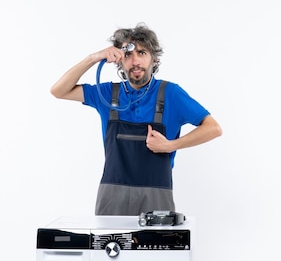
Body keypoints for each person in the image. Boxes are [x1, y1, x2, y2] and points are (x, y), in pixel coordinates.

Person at [50, 22, 222, 216]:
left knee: (155, 246)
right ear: (119, 61)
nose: (135, 61)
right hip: (112, 195)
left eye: (142, 53)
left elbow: (213, 128)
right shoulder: (107, 93)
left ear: (154, 60)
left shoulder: (171, 94)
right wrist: (93, 57)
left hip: (157, 193)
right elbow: (58, 90)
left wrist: (170, 145)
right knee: (111, 245)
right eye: (128, 54)